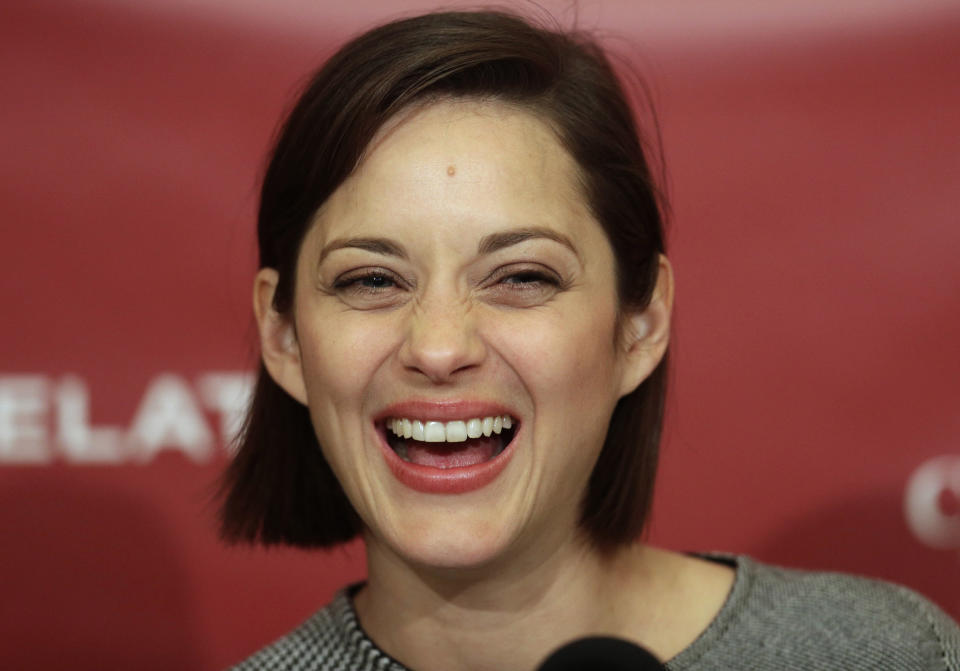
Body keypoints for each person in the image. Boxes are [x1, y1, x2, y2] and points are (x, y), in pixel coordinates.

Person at [219, 10, 960, 671]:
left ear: (640, 323)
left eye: (522, 276)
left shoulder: (878, 653)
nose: (439, 347)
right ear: (282, 336)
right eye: (371, 280)